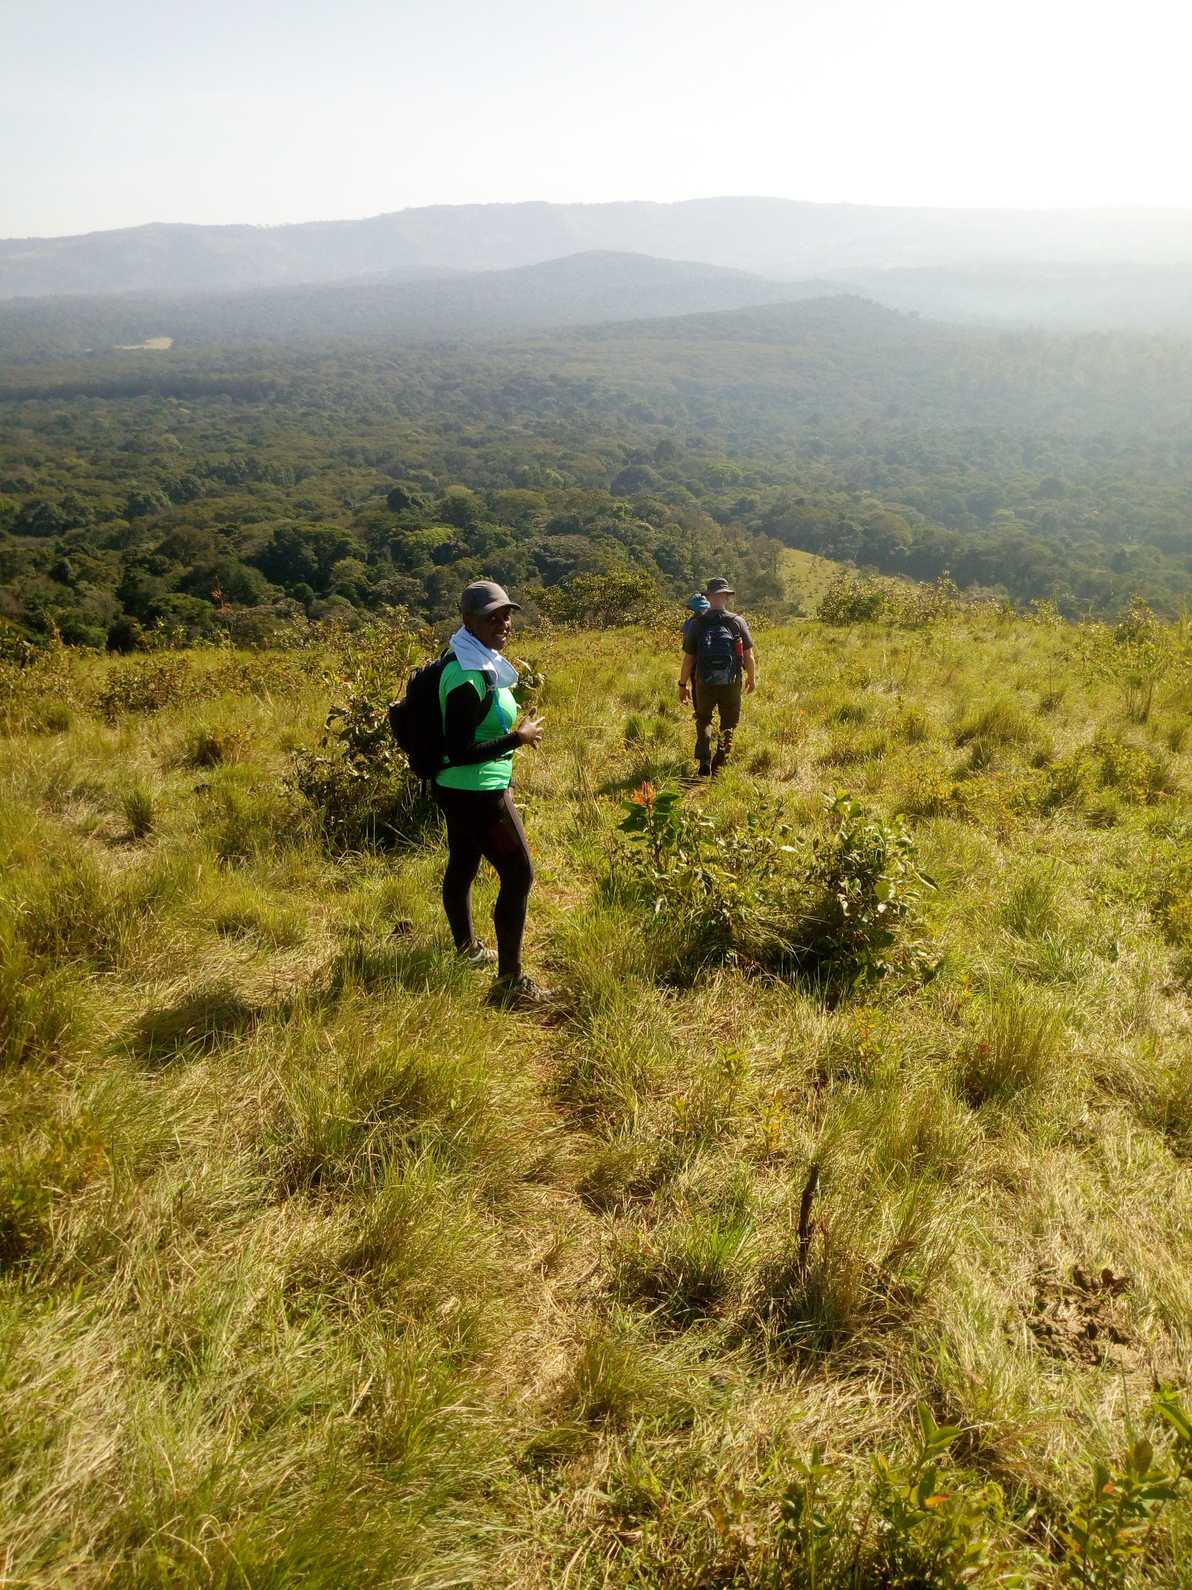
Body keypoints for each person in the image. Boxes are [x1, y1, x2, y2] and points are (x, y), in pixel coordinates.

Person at [434, 579, 547, 1008]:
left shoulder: (477, 659)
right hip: (477, 793)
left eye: (506, 614)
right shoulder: (466, 674)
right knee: (519, 875)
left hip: (460, 790)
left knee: (462, 864)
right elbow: (460, 750)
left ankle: (467, 950)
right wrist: (517, 739)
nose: (503, 623)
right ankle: (510, 986)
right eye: (491, 617)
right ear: (468, 621)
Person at [678, 577, 757, 776]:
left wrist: (682, 684)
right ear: (726, 597)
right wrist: (752, 678)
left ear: (710, 597)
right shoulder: (737, 622)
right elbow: (749, 656)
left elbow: (688, 659)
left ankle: (704, 760)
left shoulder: (697, 623)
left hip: (703, 680)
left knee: (704, 719)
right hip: (731, 681)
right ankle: (719, 764)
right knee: (728, 723)